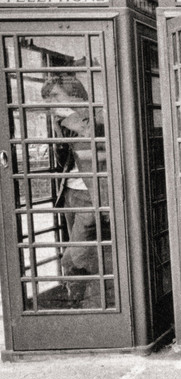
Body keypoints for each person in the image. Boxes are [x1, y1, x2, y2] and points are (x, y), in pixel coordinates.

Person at [41, 73, 109, 307]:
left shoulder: (94, 115)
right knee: (82, 253)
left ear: (74, 94)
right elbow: (65, 158)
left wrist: (69, 116)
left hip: (91, 196)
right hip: (70, 193)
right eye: (47, 99)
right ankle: (85, 302)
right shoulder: (62, 123)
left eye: (55, 96)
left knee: (72, 258)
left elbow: (94, 136)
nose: (51, 103)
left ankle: (78, 304)